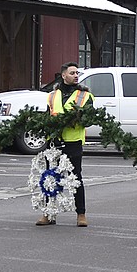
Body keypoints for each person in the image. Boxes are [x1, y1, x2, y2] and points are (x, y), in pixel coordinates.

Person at [38, 62, 93, 227]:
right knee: (51, 178)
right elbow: (48, 115)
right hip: (54, 142)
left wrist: (75, 120)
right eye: (72, 73)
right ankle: (49, 214)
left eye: (77, 73)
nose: (76, 75)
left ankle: (81, 214)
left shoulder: (85, 96)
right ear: (63, 76)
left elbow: (89, 119)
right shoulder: (52, 95)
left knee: (76, 178)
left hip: (73, 141)